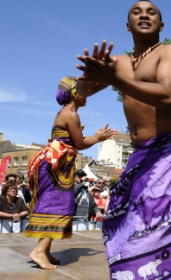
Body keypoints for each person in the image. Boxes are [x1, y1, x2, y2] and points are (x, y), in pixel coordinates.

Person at [75, 1, 171, 278]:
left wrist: (115, 80)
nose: (144, 15)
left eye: (152, 12)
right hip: (139, 158)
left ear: (161, 25)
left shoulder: (170, 52)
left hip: (169, 153)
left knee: (163, 234)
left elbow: (167, 95)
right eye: (136, 12)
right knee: (123, 227)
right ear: (128, 25)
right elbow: (81, 93)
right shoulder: (121, 63)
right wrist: (89, 78)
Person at [23, 76, 117, 270]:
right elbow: (80, 144)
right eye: (84, 90)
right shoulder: (70, 114)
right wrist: (98, 137)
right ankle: (39, 251)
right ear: (75, 93)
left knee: (54, 206)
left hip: (57, 167)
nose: (87, 95)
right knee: (59, 207)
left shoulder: (67, 112)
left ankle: (45, 251)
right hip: (56, 168)